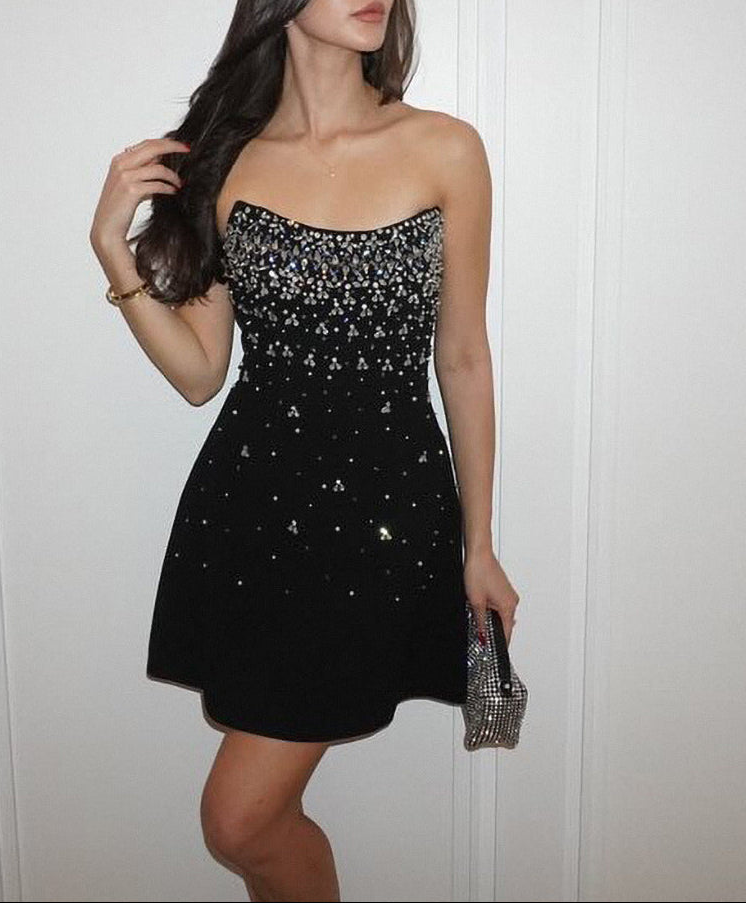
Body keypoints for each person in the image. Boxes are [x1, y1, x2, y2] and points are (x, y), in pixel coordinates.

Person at [89, 1, 520, 899]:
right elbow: (202, 371)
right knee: (255, 821)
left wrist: (479, 544)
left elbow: (464, 356)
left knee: (238, 818)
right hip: (255, 519)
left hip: (384, 524)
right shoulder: (226, 163)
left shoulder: (446, 149)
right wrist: (112, 254)